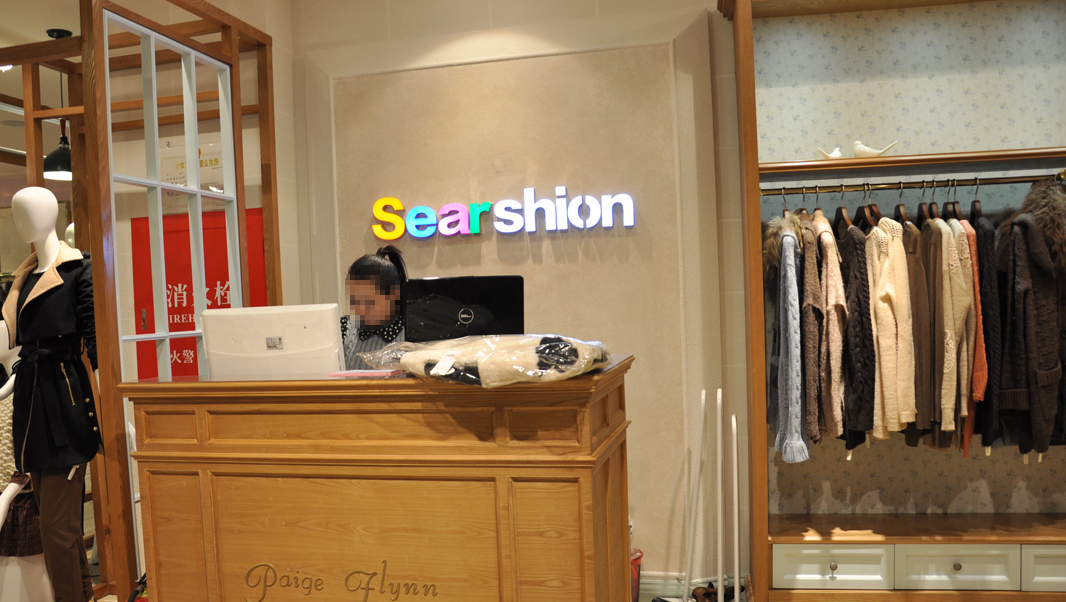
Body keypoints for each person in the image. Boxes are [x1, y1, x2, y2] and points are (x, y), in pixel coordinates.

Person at [341, 246, 407, 370]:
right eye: (354, 301)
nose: (360, 310)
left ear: (393, 295)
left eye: (369, 302)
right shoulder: (343, 328)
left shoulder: (413, 331)